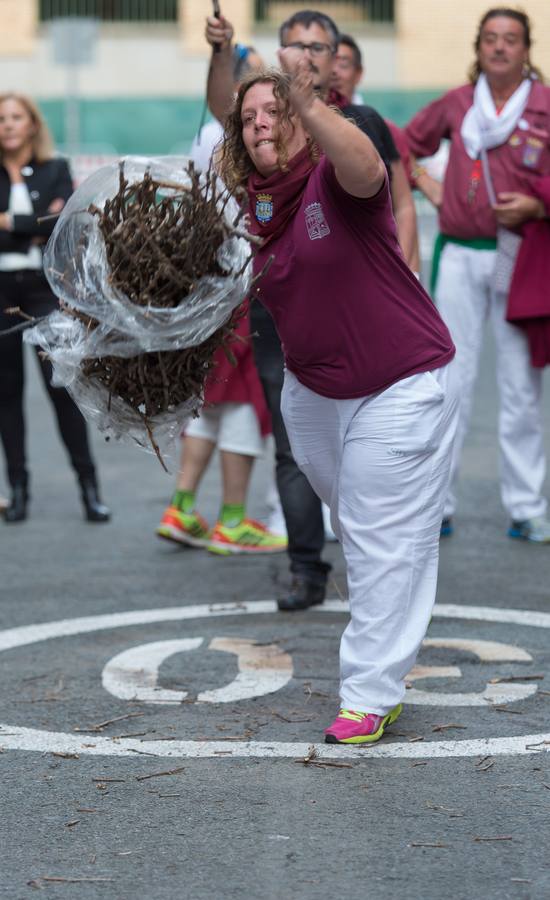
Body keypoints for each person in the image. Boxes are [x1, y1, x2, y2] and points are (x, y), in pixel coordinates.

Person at [217, 57, 459, 744]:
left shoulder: (334, 174)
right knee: (364, 525)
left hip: (399, 382)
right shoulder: (254, 203)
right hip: (314, 391)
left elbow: (369, 167)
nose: (262, 122)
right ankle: (393, 613)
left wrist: (306, 101)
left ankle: (369, 693)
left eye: (276, 109)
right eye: (250, 117)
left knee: (381, 536)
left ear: (302, 113)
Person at [205, 9, 418, 611]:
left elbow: (393, 199)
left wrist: (401, 276)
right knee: (297, 443)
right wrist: (223, 54)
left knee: (371, 458)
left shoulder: (358, 126)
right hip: (286, 316)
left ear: (334, 57)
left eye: (316, 45)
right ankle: (306, 565)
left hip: (369, 320)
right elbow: (233, 110)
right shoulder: (258, 143)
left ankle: (379, 564)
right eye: (291, 45)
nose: (303, 54)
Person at [405, 8, 550, 543]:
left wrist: (536, 205)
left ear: (527, 48)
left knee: (519, 384)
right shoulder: (458, 103)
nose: (499, 48)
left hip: (519, 255)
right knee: (450, 381)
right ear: (478, 46)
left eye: (511, 39)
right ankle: (437, 502)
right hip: (460, 255)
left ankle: (527, 506)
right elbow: (402, 143)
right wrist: (425, 180)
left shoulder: (545, 105)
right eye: (490, 38)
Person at [156, 46, 286, 556]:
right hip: (239, 280)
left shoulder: (213, 134)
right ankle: (231, 518)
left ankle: (182, 506)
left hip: (208, 282)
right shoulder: (236, 134)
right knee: (245, 398)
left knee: (213, 397)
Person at [0, 93, 110, 524]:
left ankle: (90, 491)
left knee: (61, 389)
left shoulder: (56, 169)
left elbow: (60, 226)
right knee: (6, 396)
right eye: (1, 118)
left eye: (16, 117)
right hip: (1, 292)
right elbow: (43, 224)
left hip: (45, 291)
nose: (8, 124)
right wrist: (34, 226)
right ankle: (19, 491)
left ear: (32, 124)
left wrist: (10, 223)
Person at [330, 32, 420, 274]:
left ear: (359, 73)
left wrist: (409, 272)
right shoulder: (304, 126)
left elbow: (404, 202)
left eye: (344, 63)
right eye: (330, 61)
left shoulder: (380, 125)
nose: (335, 71)